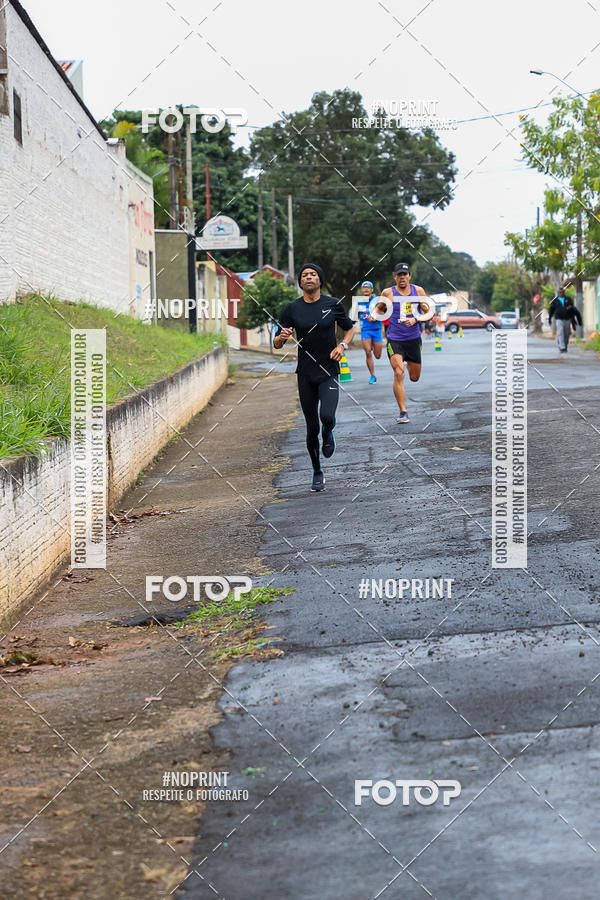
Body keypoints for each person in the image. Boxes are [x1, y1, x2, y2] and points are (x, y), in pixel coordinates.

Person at [274, 263, 355, 492]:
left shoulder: (333, 304)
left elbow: (349, 329)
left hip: (329, 370)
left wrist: (342, 345)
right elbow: (277, 343)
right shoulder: (292, 308)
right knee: (311, 427)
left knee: (327, 416)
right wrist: (282, 337)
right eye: (304, 275)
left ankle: (328, 431)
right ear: (300, 282)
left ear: (320, 280)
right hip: (305, 373)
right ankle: (317, 470)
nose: (309, 277)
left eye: (313, 274)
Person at [379, 262, 431, 424]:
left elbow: (429, 312)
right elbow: (379, 308)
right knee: (398, 372)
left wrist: (416, 319)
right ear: (394, 277)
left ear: (410, 276)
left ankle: (407, 362)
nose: (402, 277)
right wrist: (375, 316)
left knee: (414, 377)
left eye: (405, 274)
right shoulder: (387, 293)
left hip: (413, 339)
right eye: (399, 274)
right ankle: (403, 411)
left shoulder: (418, 291)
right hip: (394, 339)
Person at [356, 280, 383, 383]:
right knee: (368, 352)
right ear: (362, 290)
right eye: (364, 287)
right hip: (365, 330)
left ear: (371, 290)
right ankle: (372, 376)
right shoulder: (358, 302)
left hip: (376, 329)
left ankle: (373, 344)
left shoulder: (377, 301)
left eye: (368, 287)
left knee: (377, 355)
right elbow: (354, 316)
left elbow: (383, 313)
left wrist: (375, 317)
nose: (366, 289)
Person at [548, 288, 582, 353]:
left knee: (567, 333)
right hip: (559, 319)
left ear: (564, 292)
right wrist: (550, 318)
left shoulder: (568, 299)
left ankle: (565, 345)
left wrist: (570, 308)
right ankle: (562, 347)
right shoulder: (555, 301)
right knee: (560, 332)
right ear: (558, 293)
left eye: (562, 292)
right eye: (560, 292)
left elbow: (572, 308)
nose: (561, 293)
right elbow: (551, 310)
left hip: (567, 319)